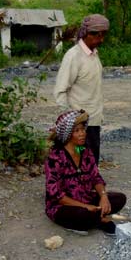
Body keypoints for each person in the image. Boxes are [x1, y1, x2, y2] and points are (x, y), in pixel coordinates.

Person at [45, 109, 126, 236]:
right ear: (67, 134)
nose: (82, 134)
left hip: (86, 198)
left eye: (83, 129)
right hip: (65, 205)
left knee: (119, 199)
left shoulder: (84, 150)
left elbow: (96, 177)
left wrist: (103, 196)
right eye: (76, 131)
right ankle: (98, 219)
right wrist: (85, 207)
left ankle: (94, 217)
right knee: (82, 215)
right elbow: (56, 195)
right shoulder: (55, 157)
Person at [54, 14, 110, 164]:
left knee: (90, 162)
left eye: (103, 35)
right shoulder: (74, 56)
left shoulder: (93, 54)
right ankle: (79, 186)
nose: (102, 40)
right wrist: (70, 123)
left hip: (93, 121)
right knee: (79, 159)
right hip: (79, 125)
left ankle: (87, 186)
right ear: (88, 34)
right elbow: (61, 91)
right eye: (99, 36)